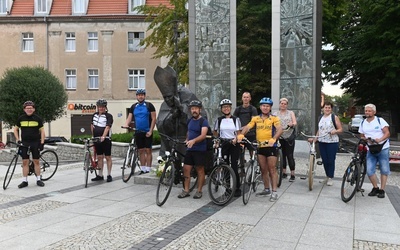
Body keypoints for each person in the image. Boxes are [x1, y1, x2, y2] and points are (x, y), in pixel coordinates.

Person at [238, 97, 283, 202]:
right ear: (260, 107)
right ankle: (267, 189)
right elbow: (248, 127)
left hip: (271, 146)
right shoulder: (256, 118)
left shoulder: (274, 118)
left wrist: (274, 139)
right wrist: (241, 135)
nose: (265, 108)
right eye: (263, 106)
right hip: (260, 146)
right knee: (263, 169)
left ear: (270, 108)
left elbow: (280, 129)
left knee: (272, 169)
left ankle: (274, 192)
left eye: (267, 106)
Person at [358, 104, 390, 198]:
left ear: (374, 112)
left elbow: (387, 133)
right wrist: (365, 139)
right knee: (369, 170)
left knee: (384, 169)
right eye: (366, 111)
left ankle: (382, 190)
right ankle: (375, 187)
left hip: (382, 148)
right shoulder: (363, 122)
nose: (367, 112)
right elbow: (361, 135)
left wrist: (379, 139)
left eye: (369, 111)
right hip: (370, 148)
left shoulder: (380, 121)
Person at [178, 100, 208, 199]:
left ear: (200, 110)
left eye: (196, 108)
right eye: (192, 109)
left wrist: (194, 141)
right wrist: (187, 140)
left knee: (200, 169)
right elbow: (189, 132)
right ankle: (186, 190)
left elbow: (203, 135)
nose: (194, 110)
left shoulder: (203, 121)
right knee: (186, 169)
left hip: (200, 149)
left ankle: (199, 191)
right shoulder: (190, 120)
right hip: (190, 149)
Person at [13, 101, 45, 188]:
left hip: (35, 142)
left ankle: (38, 179)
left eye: (31, 108)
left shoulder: (37, 118)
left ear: (34, 109)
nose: (29, 110)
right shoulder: (21, 118)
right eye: (27, 108)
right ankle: (25, 181)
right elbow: (15, 129)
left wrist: (42, 142)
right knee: (25, 162)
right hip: (25, 143)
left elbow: (42, 131)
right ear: (24, 109)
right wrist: (18, 140)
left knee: (36, 161)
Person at [213, 99, 242, 197]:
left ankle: (237, 187)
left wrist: (236, 139)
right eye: (224, 107)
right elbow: (215, 132)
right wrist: (217, 140)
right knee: (225, 166)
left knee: (234, 166)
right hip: (224, 143)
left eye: (228, 107)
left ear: (230, 108)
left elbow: (239, 133)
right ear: (221, 109)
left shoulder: (235, 119)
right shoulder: (219, 120)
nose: (226, 108)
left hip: (234, 143)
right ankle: (228, 187)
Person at [124, 89, 156, 174]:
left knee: (148, 150)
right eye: (139, 95)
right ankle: (143, 168)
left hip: (147, 131)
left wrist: (151, 130)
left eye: (142, 95)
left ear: (144, 96)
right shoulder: (134, 106)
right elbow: (129, 118)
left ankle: (148, 169)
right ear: (136, 96)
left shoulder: (149, 105)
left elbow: (153, 119)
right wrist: (126, 124)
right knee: (141, 151)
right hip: (138, 132)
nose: (140, 96)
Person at [313, 102, 342, 186]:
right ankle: (327, 176)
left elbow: (340, 129)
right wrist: (316, 138)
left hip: (332, 142)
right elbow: (320, 129)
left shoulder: (334, 117)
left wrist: (335, 131)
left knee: (331, 160)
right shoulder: (320, 117)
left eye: (329, 108)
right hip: (322, 141)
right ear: (323, 108)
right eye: (326, 107)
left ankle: (330, 177)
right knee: (325, 160)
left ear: (331, 109)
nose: (327, 109)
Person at [273, 98, 297, 181]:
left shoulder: (290, 113)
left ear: (287, 105)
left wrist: (292, 124)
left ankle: (292, 173)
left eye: (285, 104)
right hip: (279, 137)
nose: (283, 105)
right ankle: (283, 172)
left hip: (288, 137)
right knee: (281, 155)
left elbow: (295, 122)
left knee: (290, 155)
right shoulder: (275, 114)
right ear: (279, 104)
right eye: (281, 103)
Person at [91, 99, 114, 182]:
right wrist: (93, 136)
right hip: (97, 139)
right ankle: (100, 175)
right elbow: (92, 125)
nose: (101, 108)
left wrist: (103, 136)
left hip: (106, 139)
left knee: (108, 157)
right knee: (99, 157)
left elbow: (108, 127)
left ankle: (109, 174)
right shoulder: (94, 115)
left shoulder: (109, 116)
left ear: (105, 107)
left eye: (103, 107)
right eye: (99, 107)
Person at [233, 92, 258, 166]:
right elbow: (235, 120)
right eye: (244, 97)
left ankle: (253, 163)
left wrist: (244, 128)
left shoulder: (253, 109)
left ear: (250, 98)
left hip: (251, 132)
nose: (246, 99)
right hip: (240, 133)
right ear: (242, 98)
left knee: (252, 149)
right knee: (240, 150)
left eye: (247, 97)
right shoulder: (238, 109)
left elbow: (253, 121)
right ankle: (241, 163)